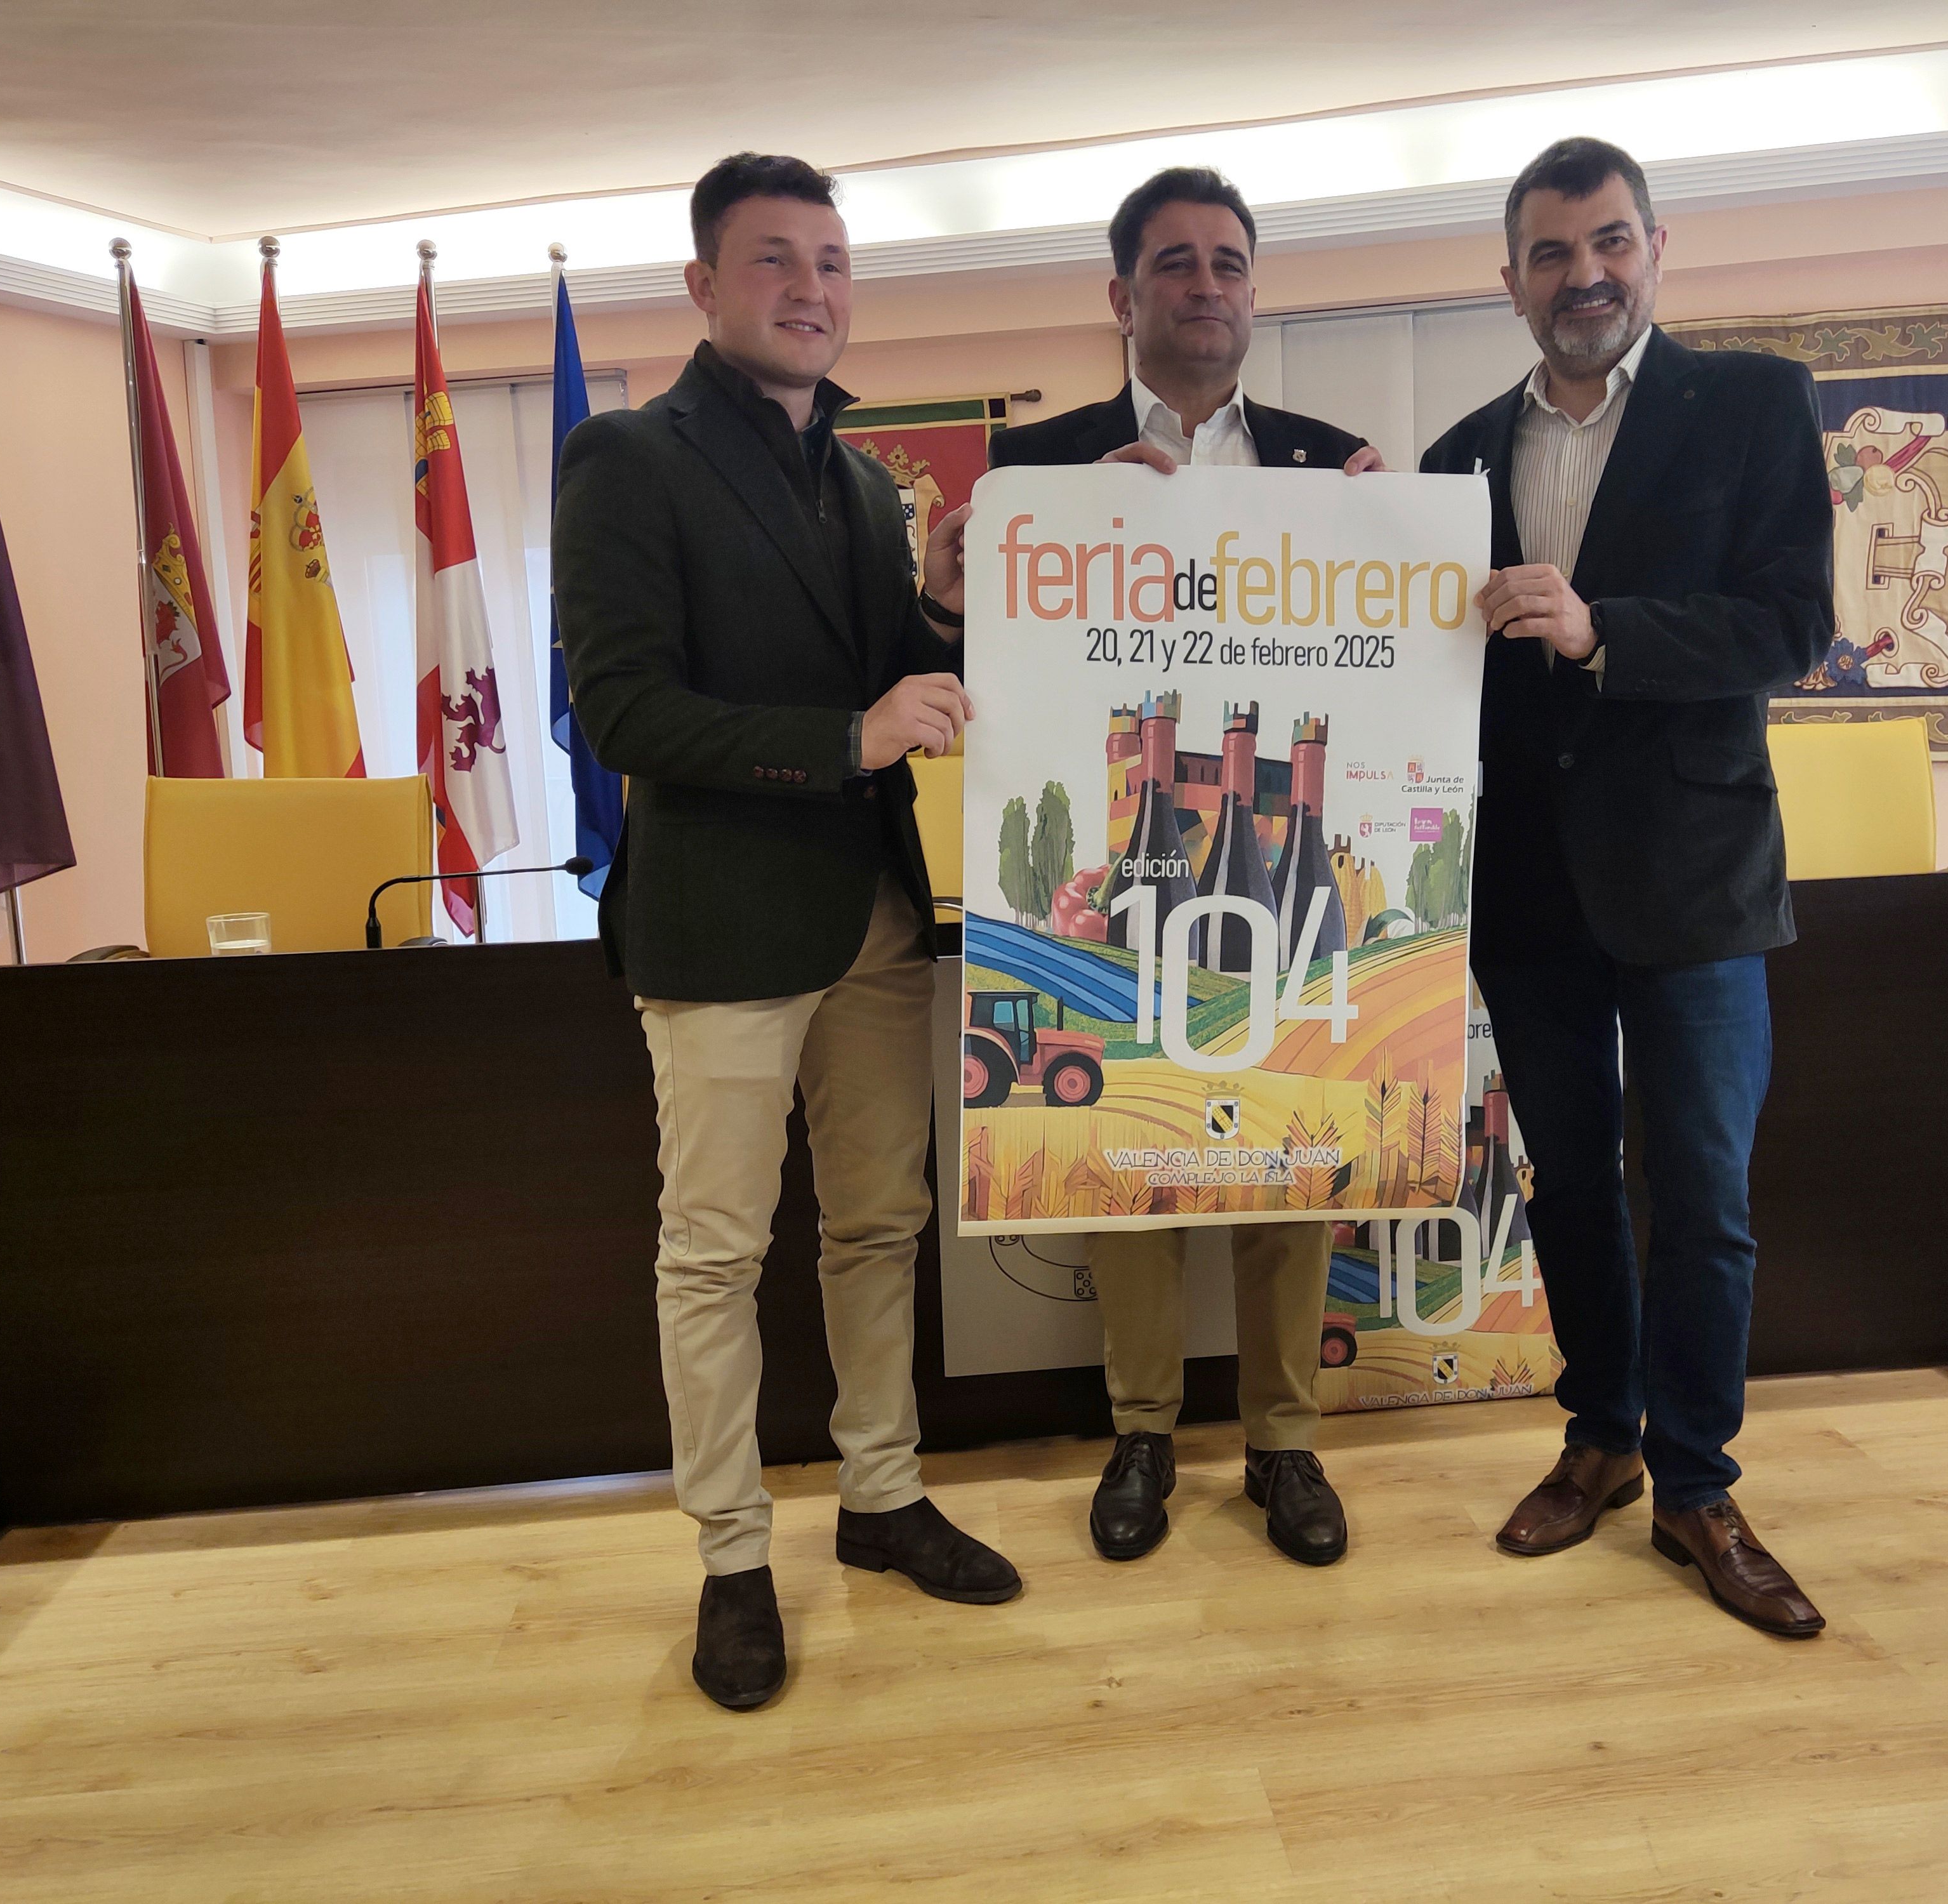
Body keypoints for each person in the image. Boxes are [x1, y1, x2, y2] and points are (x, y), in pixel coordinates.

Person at [555, 151, 1019, 1714]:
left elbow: (884, 669)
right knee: (717, 1254)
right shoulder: (629, 455)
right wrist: (847, 739)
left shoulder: (852, 474)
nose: (810, 287)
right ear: (701, 283)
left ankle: (879, 1498)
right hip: (722, 924)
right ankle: (732, 1558)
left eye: (831, 259)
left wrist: (939, 608)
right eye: (773, 260)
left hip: (876, 914)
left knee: (879, 1226)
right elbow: (621, 709)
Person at [1419, 137, 1836, 1637]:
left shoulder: (1749, 403)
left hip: (1696, 880)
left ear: (1656, 247)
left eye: (1607, 243)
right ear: (1510, 276)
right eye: (1547, 252)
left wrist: (1602, 633)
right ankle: (1596, 1434)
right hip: (1521, 888)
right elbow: (1419, 668)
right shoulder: (1456, 456)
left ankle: (1697, 1483)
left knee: (1704, 1198)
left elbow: (1790, 626)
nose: (1581, 274)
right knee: (1569, 1186)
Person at [990, 166, 1384, 1569]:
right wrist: (998, 549)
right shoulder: (1041, 475)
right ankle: (1141, 1432)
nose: (1204, 283)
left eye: (1226, 261)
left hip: (1268, 827)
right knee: (1128, 1147)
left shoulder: (1337, 471)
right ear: (1122, 295)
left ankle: (1283, 1445)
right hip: (1137, 842)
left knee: (1290, 1145)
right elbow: (977, 656)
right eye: (1174, 263)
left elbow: (1399, 657)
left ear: (1253, 290)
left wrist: (1403, 543)